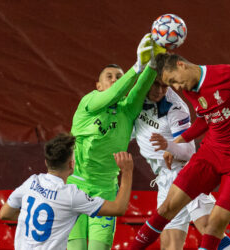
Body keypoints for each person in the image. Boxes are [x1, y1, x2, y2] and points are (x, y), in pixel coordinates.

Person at [131, 53, 230, 250]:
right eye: (170, 84)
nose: (176, 87)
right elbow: (205, 118)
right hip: (211, 152)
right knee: (167, 208)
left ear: (181, 65)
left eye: (173, 81)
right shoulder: (190, 90)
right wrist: (178, 140)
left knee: (213, 225)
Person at [66, 34, 166, 250]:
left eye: (118, 76)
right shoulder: (89, 104)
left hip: (106, 193)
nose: (114, 79)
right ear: (99, 85)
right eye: (109, 76)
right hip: (75, 188)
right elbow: (114, 92)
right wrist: (136, 67)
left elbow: (139, 89)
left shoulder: (127, 111)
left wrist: (153, 62)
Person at [133, 79, 230, 250]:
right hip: (165, 178)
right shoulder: (135, 100)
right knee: (170, 245)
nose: (160, 90)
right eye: (155, 84)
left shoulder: (175, 107)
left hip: (186, 172)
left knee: (208, 228)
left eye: (165, 85)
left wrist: (168, 145)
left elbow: (188, 151)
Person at [0, 134, 134, 250]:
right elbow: (119, 208)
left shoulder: (31, 182)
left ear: (46, 162)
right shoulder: (70, 195)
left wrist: (42, 222)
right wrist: (127, 171)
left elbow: (4, 214)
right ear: (71, 164)